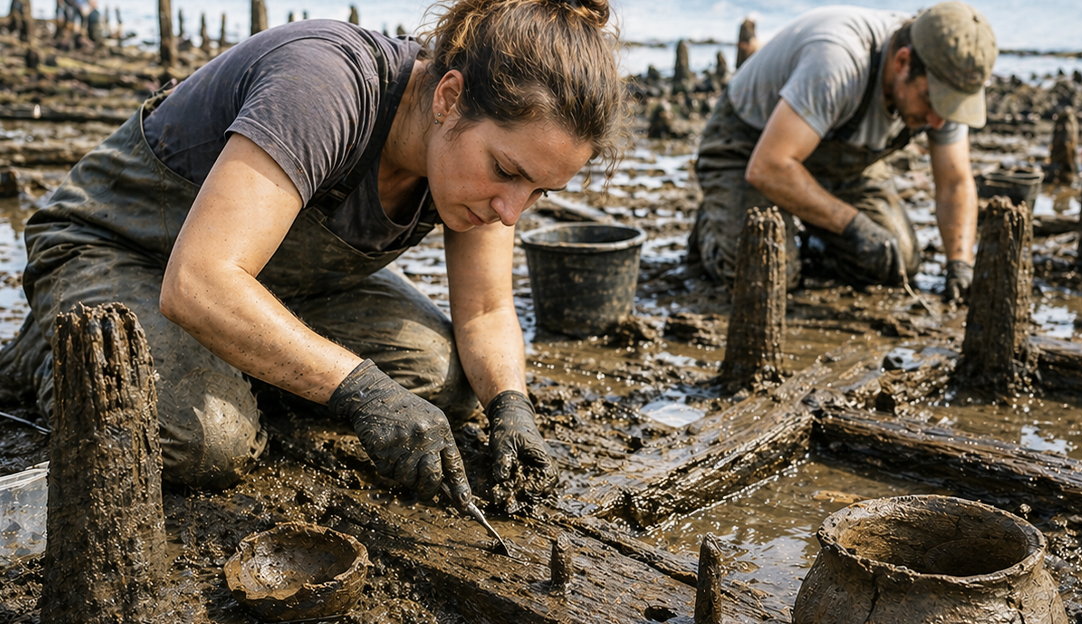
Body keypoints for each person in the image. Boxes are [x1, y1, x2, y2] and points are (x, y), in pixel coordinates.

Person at [0, 0, 623, 510]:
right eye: (507, 172)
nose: (512, 211)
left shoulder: (472, 173)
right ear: (449, 98)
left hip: (271, 282)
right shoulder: (325, 86)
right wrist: (362, 392)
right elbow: (198, 280)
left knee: (448, 381)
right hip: (120, 250)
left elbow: (485, 312)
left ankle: (236, 362)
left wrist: (512, 408)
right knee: (208, 443)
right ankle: (46, 348)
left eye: (540, 190)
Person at [688, 1, 995, 303]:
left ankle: (814, 234)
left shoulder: (943, 79)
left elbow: (954, 181)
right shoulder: (838, 62)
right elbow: (769, 166)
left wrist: (960, 265)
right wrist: (854, 226)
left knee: (895, 259)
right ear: (903, 62)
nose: (937, 121)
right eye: (931, 101)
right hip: (749, 149)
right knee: (768, 276)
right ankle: (713, 225)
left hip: (841, 162)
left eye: (949, 106)